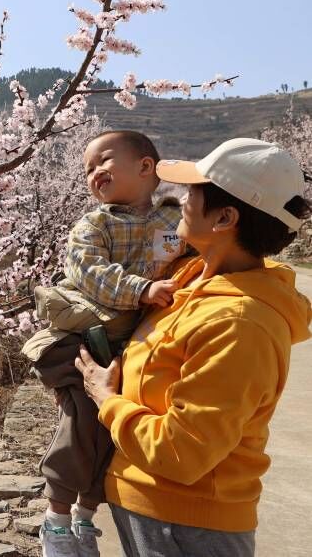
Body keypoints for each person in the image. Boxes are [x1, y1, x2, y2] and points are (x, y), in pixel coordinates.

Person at [76, 137, 312, 557]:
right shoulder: (188, 276)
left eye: (195, 191)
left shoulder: (240, 324)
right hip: (154, 513)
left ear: (224, 217)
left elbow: (182, 454)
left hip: (188, 528)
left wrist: (106, 399)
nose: (181, 198)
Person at [22, 130, 186, 557]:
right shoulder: (94, 224)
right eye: (87, 169)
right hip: (86, 340)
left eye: (103, 161)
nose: (94, 173)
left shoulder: (175, 220)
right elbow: (88, 271)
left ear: (146, 167)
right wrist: (141, 290)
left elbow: (197, 260)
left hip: (136, 347)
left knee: (115, 434)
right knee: (81, 425)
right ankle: (56, 522)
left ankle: (84, 518)